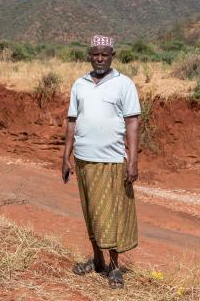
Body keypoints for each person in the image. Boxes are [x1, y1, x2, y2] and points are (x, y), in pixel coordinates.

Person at [62, 34, 141, 289]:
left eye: (104, 54)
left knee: (114, 214)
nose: (99, 58)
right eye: (95, 54)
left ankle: (115, 268)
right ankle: (97, 261)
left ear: (112, 56)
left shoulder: (124, 84)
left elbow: (132, 122)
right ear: (89, 55)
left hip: (112, 160)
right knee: (91, 212)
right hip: (84, 158)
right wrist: (66, 156)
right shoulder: (80, 84)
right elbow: (72, 121)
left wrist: (133, 161)